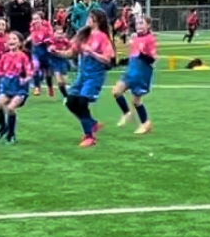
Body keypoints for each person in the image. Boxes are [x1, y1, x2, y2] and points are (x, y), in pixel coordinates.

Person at [63, 10, 115, 148]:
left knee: (81, 102)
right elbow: (71, 52)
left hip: (94, 76)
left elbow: (108, 59)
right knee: (70, 102)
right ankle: (92, 123)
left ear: (96, 20)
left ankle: (90, 137)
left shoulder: (103, 37)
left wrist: (92, 53)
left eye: (90, 18)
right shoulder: (83, 34)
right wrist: (56, 53)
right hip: (82, 75)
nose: (87, 20)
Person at [112, 15, 157, 134]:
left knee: (136, 101)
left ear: (148, 25)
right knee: (116, 92)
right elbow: (133, 55)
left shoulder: (150, 39)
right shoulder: (135, 38)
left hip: (141, 73)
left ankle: (145, 124)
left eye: (142, 23)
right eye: (137, 24)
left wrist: (142, 55)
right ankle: (127, 113)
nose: (139, 26)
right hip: (131, 71)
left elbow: (152, 59)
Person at [0, 32, 31, 143]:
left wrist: (25, 79)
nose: (11, 41)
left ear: (20, 43)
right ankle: (3, 127)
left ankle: (11, 134)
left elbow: (29, 72)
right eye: (9, 39)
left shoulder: (23, 56)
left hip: (20, 90)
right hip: (7, 89)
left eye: (14, 39)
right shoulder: (4, 57)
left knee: (10, 108)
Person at [28, 10, 54, 97]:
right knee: (35, 66)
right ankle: (37, 87)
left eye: (37, 19)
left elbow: (50, 38)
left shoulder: (47, 27)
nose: (35, 21)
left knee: (47, 72)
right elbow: (32, 36)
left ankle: (50, 86)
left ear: (41, 19)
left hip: (45, 50)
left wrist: (46, 42)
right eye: (33, 19)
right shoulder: (32, 27)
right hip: (36, 50)